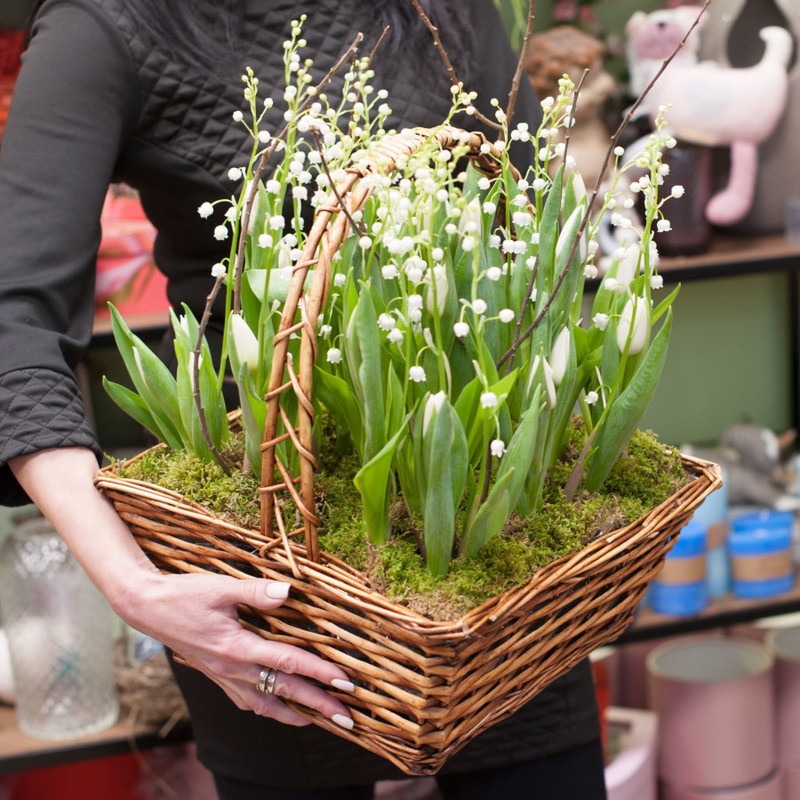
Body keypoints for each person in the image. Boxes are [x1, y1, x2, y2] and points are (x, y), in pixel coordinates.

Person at [0, 1, 607, 797]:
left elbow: (531, 231)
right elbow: (13, 326)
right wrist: (134, 588)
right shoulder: (112, 22)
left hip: (489, 528)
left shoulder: (443, 8)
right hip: (267, 547)